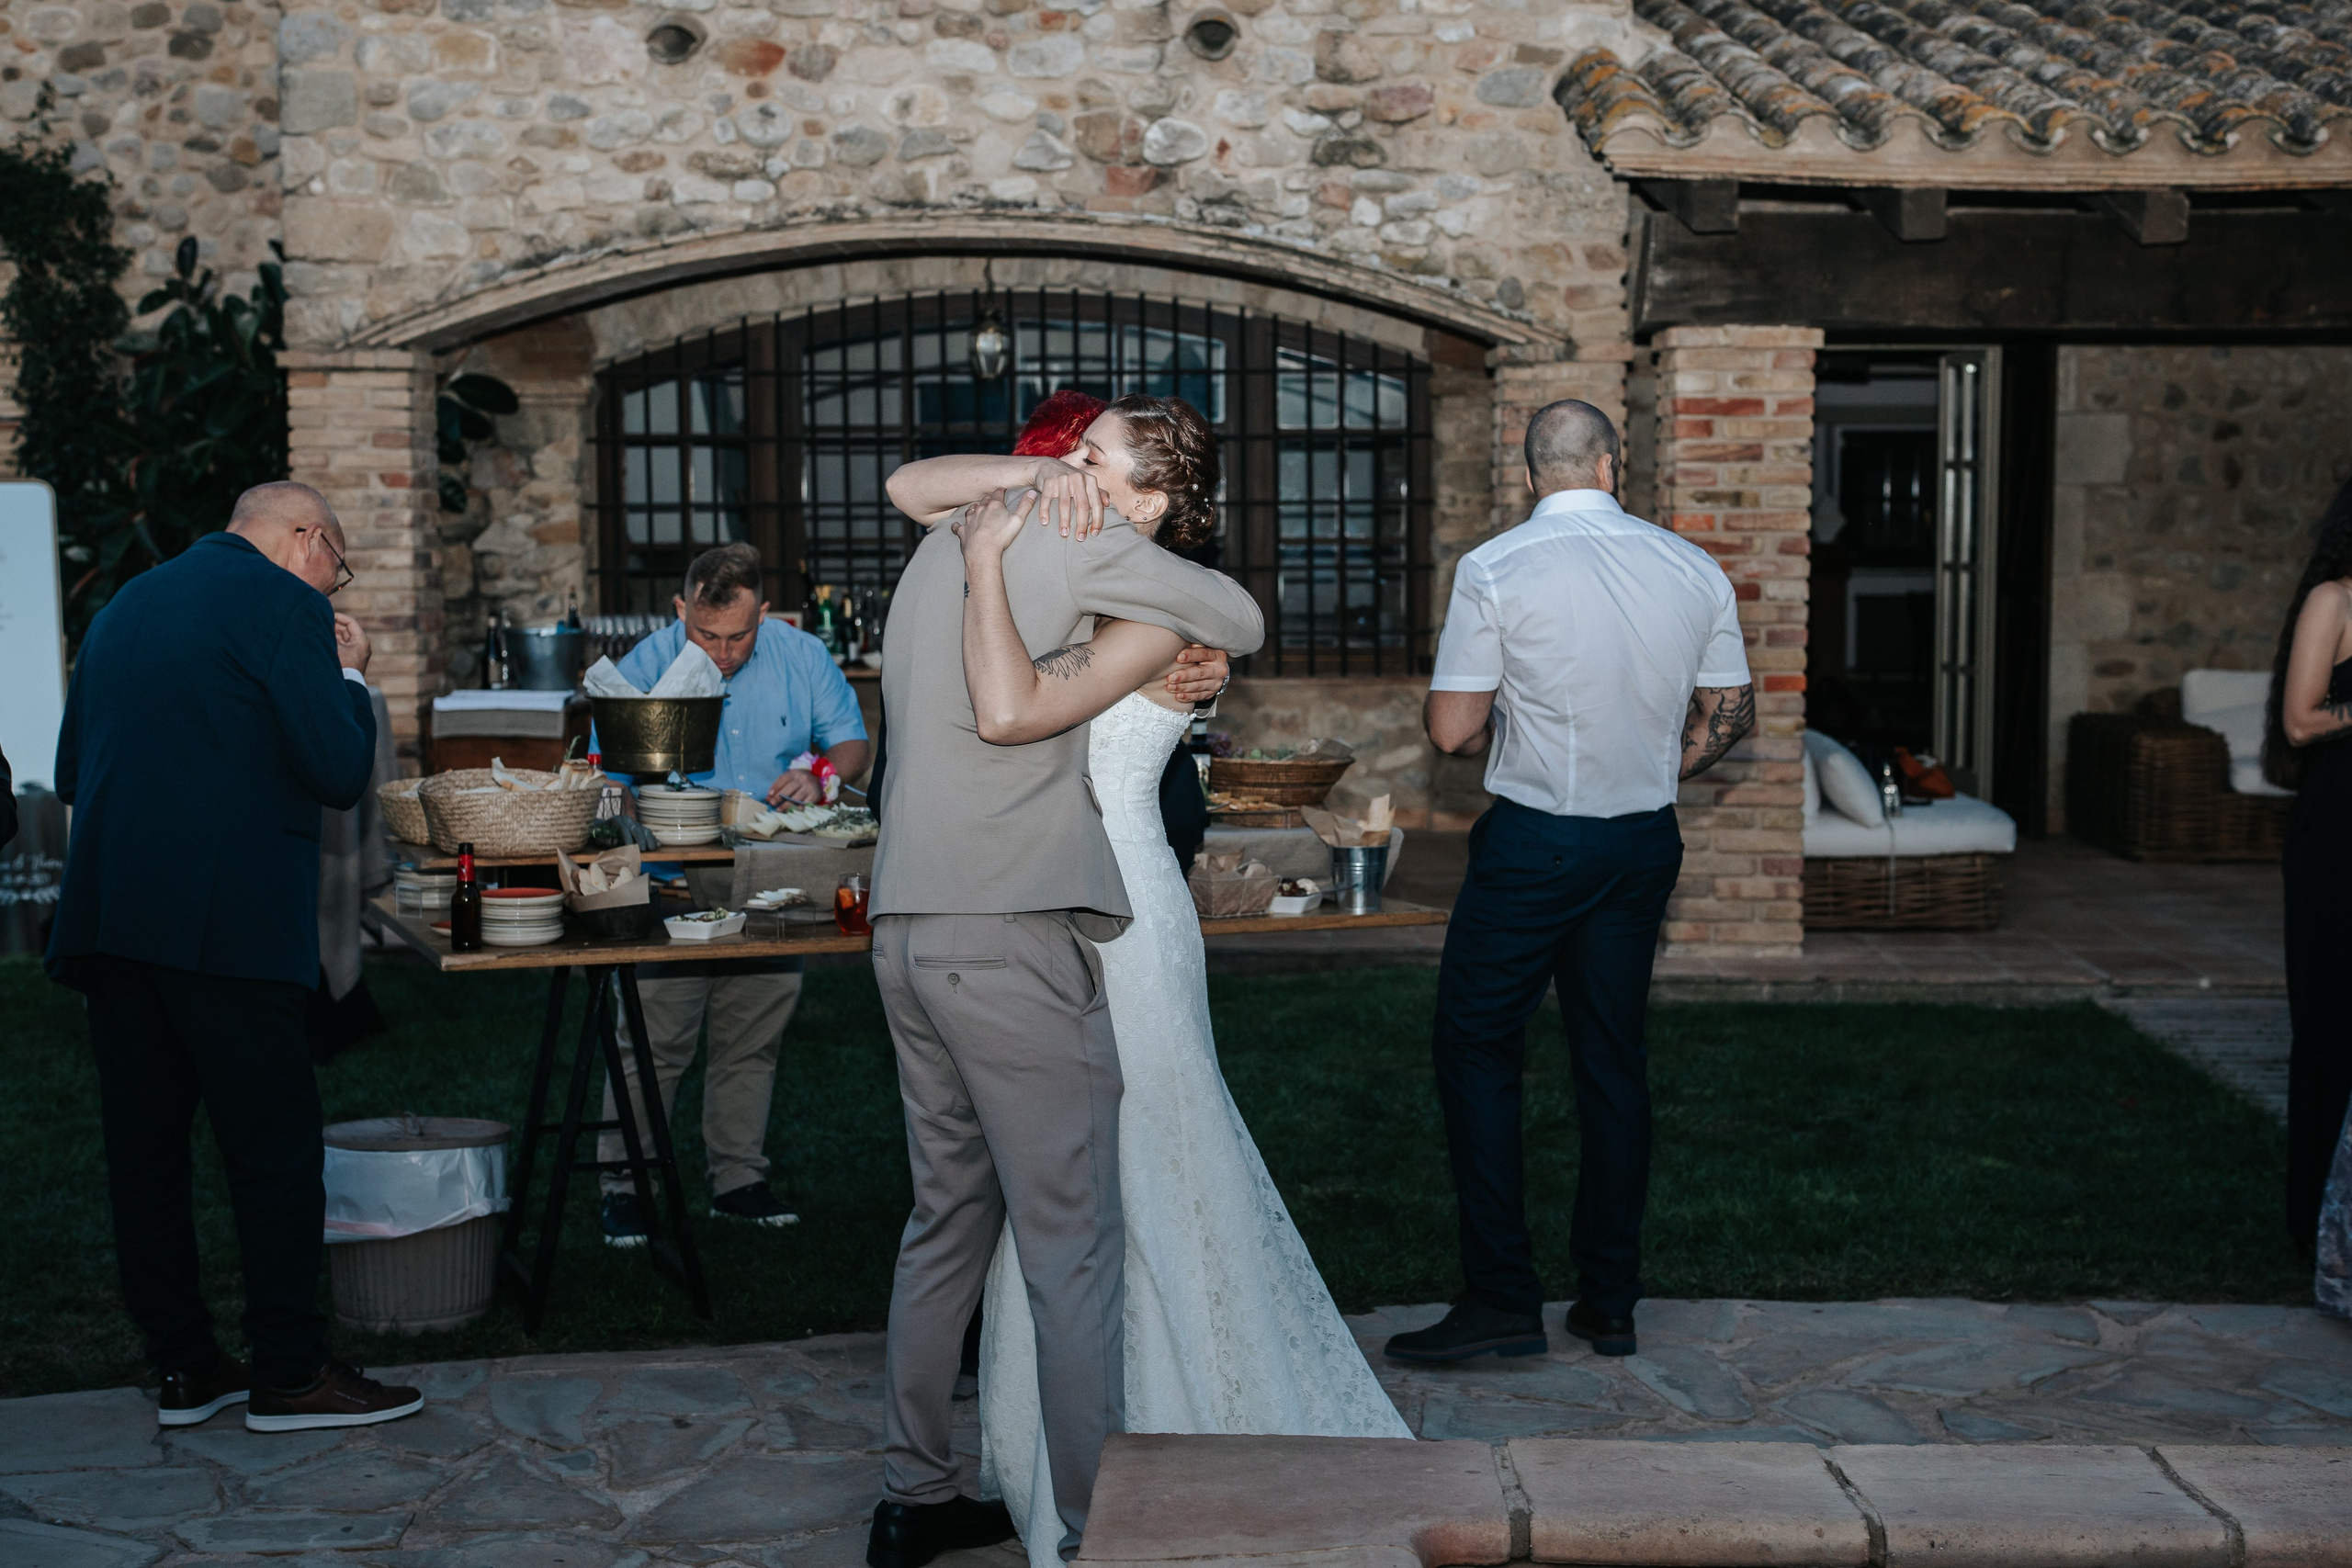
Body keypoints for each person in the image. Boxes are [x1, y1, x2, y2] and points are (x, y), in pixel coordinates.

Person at [883, 396, 1407, 1568]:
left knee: (950, 1218)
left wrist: (1031, 533)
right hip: (1016, 922)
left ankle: (915, 1496)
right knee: (1071, 1239)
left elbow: (914, 486)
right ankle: (1084, 1533)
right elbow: (1046, 688)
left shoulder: (972, 534)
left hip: (916, 922)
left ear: (1156, 497)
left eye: (1092, 457)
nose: (1065, 466)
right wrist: (1060, 499)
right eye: (1068, 452)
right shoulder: (1044, 536)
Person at [48, 480, 424, 1433]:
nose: (335, 589)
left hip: (109, 920)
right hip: (227, 927)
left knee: (147, 1154)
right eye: (338, 565)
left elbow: (67, 773)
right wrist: (350, 676)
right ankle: (292, 1373)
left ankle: (184, 1367)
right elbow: (340, 772)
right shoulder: (284, 603)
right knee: (273, 1154)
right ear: (304, 539)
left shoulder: (125, 603)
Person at [1385, 400, 1754, 1366]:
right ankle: (1611, 1302)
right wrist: (1655, 766)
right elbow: (1728, 713)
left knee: (1475, 1049)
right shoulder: (1690, 565)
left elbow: (1451, 731)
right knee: (1611, 1062)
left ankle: (1504, 1299)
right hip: (1641, 845)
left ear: (1528, 473)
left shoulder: (1497, 567)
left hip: (1536, 846)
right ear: (1610, 462)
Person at [594, 541, 872, 1242]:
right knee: (654, 1042)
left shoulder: (802, 656)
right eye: (705, 635)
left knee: (753, 1036)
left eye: (738, 636)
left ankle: (738, 1178)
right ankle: (626, 1184)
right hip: (672, 885)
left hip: (770, 882)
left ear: (764, 613)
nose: (720, 653)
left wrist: (817, 773)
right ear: (680, 609)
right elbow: (605, 775)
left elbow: (850, 744)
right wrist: (617, 807)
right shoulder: (645, 666)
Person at [2259, 475, 2352, 1258]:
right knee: (2330, 1027)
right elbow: (2299, 720)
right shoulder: (2336, 600)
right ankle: (2310, 1225)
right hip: (2338, 836)